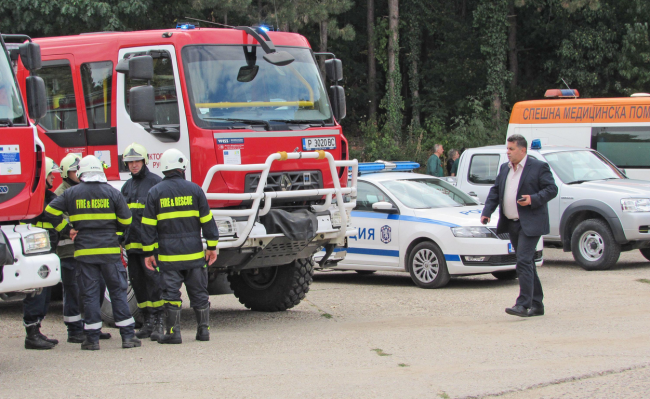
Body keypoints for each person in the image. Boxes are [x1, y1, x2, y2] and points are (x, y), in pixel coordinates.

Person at [45, 155, 140, 350]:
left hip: (85, 253)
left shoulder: (72, 193)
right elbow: (127, 220)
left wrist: (67, 229)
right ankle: (128, 337)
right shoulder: (112, 192)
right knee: (117, 292)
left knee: (89, 294)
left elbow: (50, 211)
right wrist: (115, 232)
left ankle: (92, 339)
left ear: (81, 173)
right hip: (110, 253)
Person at [141, 148, 219, 344]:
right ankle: (203, 331)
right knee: (199, 292)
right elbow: (208, 221)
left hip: (168, 257)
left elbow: (148, 226)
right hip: (193, 254)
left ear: (164, 169)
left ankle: (173, 333)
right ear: (182, 167)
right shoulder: (195, 190)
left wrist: (148, 252)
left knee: (171, 294)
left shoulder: (154, 192)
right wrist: (212, 246)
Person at [481, 135, 558, 317]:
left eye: (511, 149)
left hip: (531, 223)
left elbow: (551, 189)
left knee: (523, 260)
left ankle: (522, 304)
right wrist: (487, 211)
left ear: (522, 150)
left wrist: (533, 199)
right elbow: (496, 191)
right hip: (512, 222)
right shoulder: (505, 168)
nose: (507, 152)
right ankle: (537, 304)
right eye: (507, 149)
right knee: (528, 262)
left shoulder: (538, 167)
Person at [55, 153, 110, 343]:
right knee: (73, 290)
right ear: (65, 172)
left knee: (95, 288)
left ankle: (91, 326)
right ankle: (74, 329)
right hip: (69, 251)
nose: (77, 174)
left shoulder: (85, 190)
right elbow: (54, 216)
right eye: (73, 171)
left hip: (87, 249)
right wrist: (68, 230)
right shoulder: (62, 192)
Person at [120, 143, 164, 341]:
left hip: (151, 248)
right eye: (130, 162)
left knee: (155, 283)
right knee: (138, 285)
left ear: (144, 161)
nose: (133, 165)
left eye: (136, 161)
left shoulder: (156, 183)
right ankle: (147, 321)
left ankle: (159, 321)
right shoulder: (126, 187)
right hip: (132, 246)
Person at [20, 158, 63, 350]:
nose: (53, 177)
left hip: (46, 251)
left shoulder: (48, 196)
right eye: (49, 174)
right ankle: (31, 334)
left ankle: (36, 330)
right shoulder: (34, 198)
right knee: (36, 294)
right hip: (36, 253)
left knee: (44, 294)